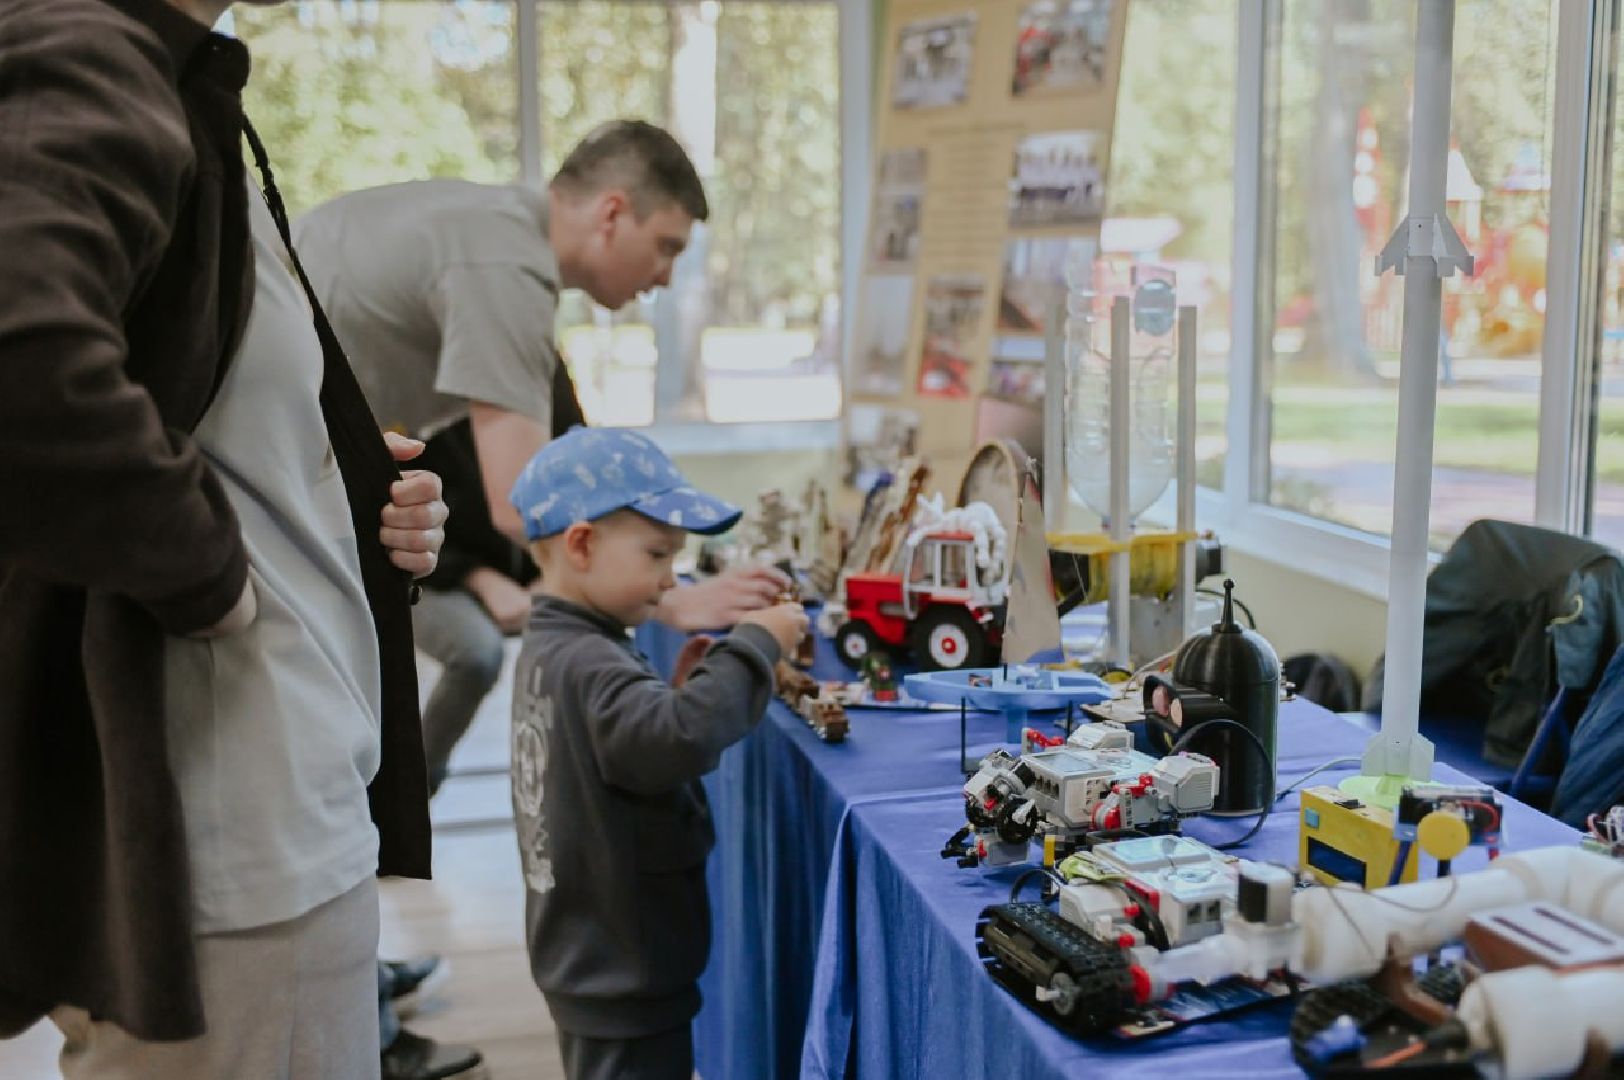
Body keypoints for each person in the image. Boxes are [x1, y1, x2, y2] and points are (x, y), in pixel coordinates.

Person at [0, 2, 459, 1077]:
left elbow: (178, 404)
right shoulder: (90, 51)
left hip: (240, 828)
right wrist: (211, 575)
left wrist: (339, 491)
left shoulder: (164, 82)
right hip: (233, 830)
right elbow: (24, 368)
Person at [294, 119, 788, 784]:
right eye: (665, 247)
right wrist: (670, 600)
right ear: (613, 212)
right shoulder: (508, 263)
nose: (667, 277)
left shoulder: (486, 221)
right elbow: (527, 500)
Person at [506, 427, 808, 1080]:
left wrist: (673, 693)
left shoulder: (555, 646)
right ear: (581, 544)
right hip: (622, 969)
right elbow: (678, 739)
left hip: (593, 959)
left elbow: (618, 749)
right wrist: (756, 643)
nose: (670, 577)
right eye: (657, 554)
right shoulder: (590, 660)